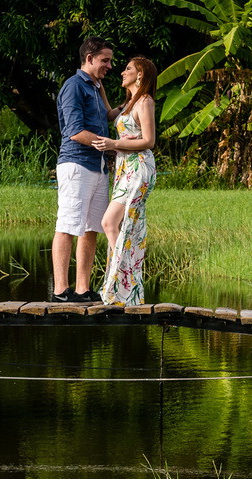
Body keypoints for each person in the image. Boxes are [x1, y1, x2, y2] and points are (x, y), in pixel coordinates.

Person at [52, 36, 118, 303]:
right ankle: (59, 291)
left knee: (91, 228)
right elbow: (75, 132)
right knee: (67, 226)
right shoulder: (74, 86)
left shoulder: (95, 86)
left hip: (98, 167)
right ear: (89, 58)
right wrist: (113, 146)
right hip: (76, 165)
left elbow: (108, 115)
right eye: (105, 60)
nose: (110, 65)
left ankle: (82, 289)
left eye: (111, 60)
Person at [92, 57, 157, 307]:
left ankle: (124, 282)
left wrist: (113, 144)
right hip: (125, 167)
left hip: (139, 166)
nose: (122, 72)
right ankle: (126, 286)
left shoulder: (145, 102)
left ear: (140, 75)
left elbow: (149, 141)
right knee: (117, 225)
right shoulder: (129, 103)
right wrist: (99, 84)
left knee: (112, 222)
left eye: (128, 69)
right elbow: (110, 113)